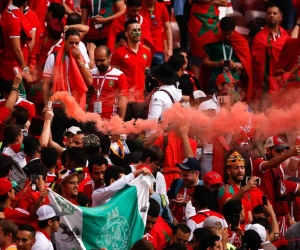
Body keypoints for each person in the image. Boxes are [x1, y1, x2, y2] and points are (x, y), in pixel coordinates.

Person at [252, 136, 300, 233]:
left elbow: (282, 193)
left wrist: (288, 217)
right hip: (263, 213)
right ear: (268, 150)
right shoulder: (258, 162)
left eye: (282, 151)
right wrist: (290, 154)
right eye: (277, 151)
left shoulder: (280, 168)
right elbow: (270, 164)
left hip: (276, 213)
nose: (281, 154)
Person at [200, 17, 252, 99]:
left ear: (234, 29)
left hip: (234, 82)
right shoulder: (214, 41)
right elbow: (205, 62)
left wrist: (235, 65)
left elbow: (247, 65)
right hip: (215, 81)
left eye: (229, 34)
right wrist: (218, 64)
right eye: (225, 34)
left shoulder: (241, 42)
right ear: (221, 30)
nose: (227, 36)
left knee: (232, 108)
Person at [111, 19, 151, 120]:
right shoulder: (118, 53)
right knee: (123, 132)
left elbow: (145, 74)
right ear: (127, 34)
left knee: (139, 133)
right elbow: (113, 76)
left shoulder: (147, 52)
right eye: (134, 30)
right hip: (124, 100)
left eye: (139, 29)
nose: (137, 32)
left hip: (140, 100)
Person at [251, 4, 290, 99]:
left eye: (274, 13)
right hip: (265, 81)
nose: (271, 15)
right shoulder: (259, 38)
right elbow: (255, 61)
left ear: (280, 16)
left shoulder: (286, 37)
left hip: (282, 80)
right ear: (265, 17)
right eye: (269, 13)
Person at [188, 0, 226, 80]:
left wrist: (207, 1)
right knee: (197, 57)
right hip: (198, 22)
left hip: (214, 22)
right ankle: (196, 87)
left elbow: (224, 2)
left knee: (215, 56)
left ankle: (215, 85)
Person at [89, 46, 128, 120]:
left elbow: (123, 99)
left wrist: (120, 121)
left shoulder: (119, 75)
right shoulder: (90, 74)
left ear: (110, 58)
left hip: (110, 119)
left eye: (102, 60)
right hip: (91, 118)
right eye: (96, 60)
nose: (98, 63)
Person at [218, 151, 257, 224]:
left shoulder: (245, 191)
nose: (240, 171)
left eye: (242, 167)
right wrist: (245, 189)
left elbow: (249, 217)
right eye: (236, 168)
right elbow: (229, 205)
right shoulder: (226, 187)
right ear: (229, 171)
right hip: (232, 232)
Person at [1, 0, 33, 82]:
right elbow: (16, 49)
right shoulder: (14, 20)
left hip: (9, 67)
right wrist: (25, 70)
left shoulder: (7, 11)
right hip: (13, 71)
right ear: (26, 2)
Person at [167, 157, 201, 224]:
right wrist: (172, 219)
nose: (182, 178)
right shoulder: (176, 183)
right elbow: (168, 206)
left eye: (186, 175)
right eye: (181, 174)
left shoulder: (202, 188)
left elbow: (204, 212)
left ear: (196, 173)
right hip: (175, 226)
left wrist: (186, 204)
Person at [140, 0, 172, 66]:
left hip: (158, 49)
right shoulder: (138, 7)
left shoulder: (162, 7)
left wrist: (170, 49)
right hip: (143, 49)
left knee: (161, 75)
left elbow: (168, 28)